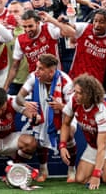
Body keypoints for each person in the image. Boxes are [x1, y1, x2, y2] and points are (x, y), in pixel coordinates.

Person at [16, 54, 76, 182]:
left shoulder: (66, 81)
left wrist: (61, 106)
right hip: (43, 113)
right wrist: (26, 103)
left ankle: (71, 169)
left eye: (41, 69)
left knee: (69, 133)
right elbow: (18, 98)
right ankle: (43, 169)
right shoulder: (34, 76)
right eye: (37, 67)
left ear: (51, 72)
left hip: (65, 114)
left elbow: (75, 108)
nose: (37, 71)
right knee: (40, 127)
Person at [3, 9, 75, 91]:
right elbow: (15, 66)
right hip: (36, 81)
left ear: (37, 23)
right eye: (24, 27)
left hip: (55, 78)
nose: (27, 30)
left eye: (30, 26)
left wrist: (51, 20)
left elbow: (72, 33)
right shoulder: (20, 40)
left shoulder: (48, 29)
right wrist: (5, 87)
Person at [68, 9, 106, 84]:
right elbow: (69, 27)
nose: (97, 25)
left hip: (95, 83)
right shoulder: (85, 28)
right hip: (76, 78)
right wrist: (66, 21)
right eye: (95, 21)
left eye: (102, 22)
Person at [5, 0, 29, 95]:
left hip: (30, 79)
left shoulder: (30, 30)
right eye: (10, 12)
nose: (13, 15)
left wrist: (22, 26)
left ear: (23, 13)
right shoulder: (5, 33)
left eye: (16, 12)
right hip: (13, 81)